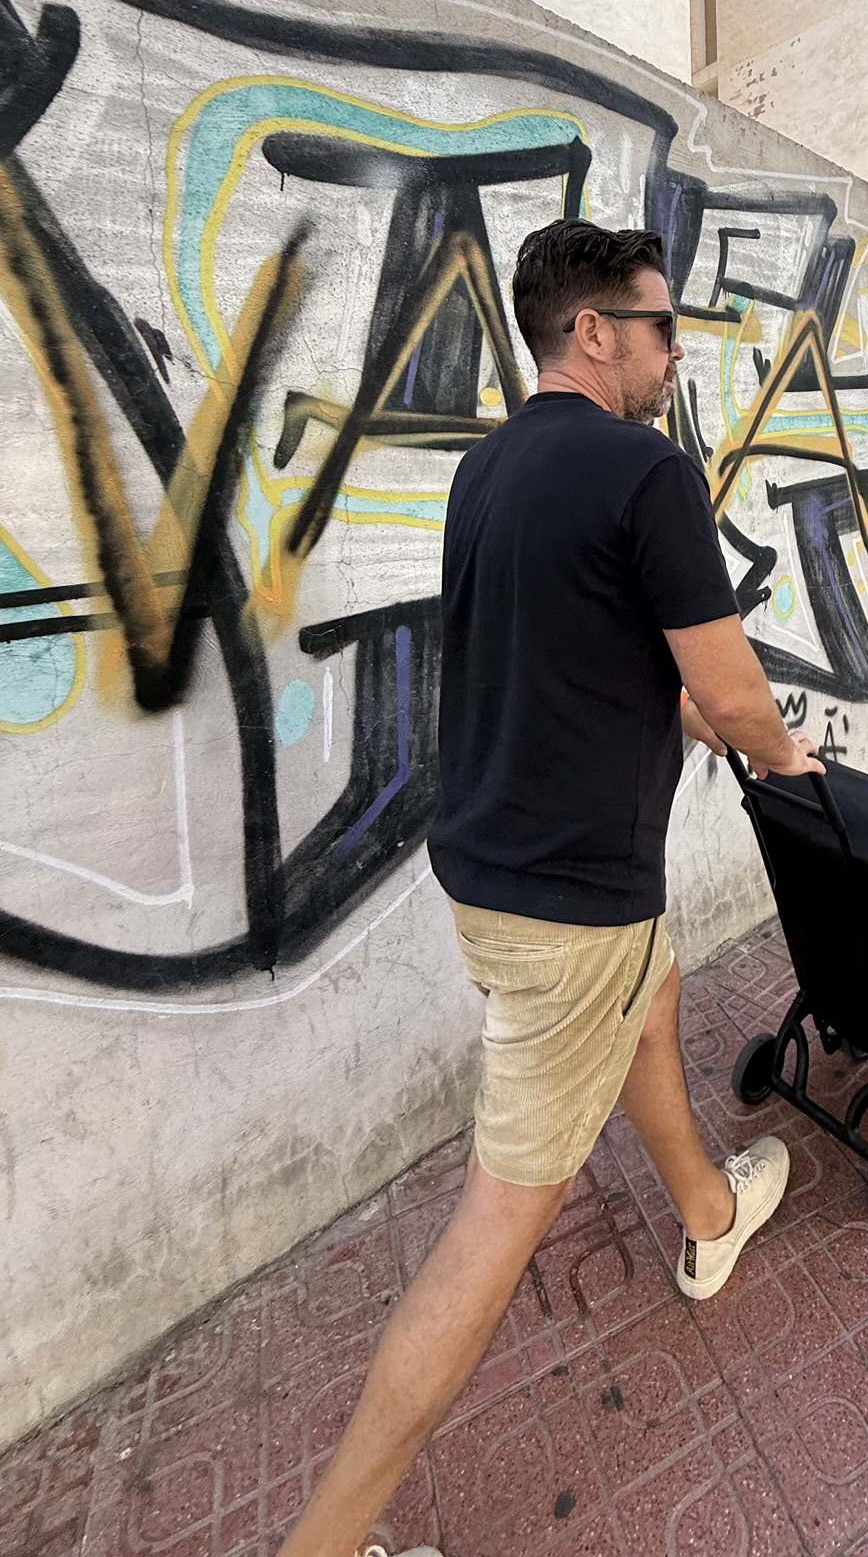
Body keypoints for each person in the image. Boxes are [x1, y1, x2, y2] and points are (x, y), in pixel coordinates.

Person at [278, 219, 823, 1557]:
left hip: (500, 868)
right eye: (658, 326)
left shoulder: (491, 470)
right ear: (596, 333)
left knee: (660, 982)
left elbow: (581, 640)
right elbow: (733, 685)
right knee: (500, 1216)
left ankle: (706, 1211)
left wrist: (684, 716)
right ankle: (324, 1543)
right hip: (567, 902)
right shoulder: (646, 473)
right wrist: (774, 745)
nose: (672, 349)